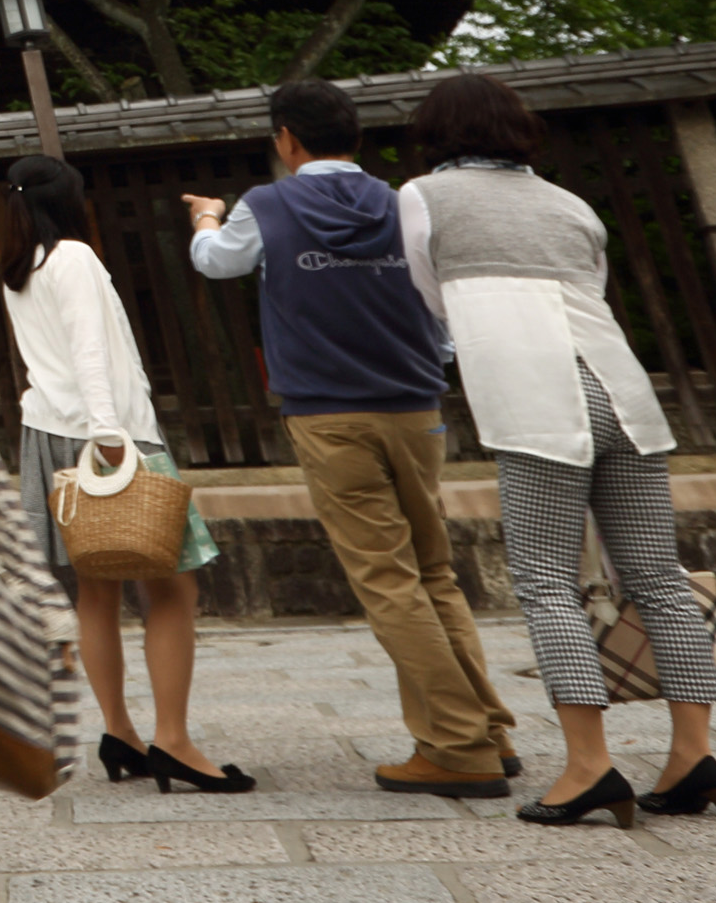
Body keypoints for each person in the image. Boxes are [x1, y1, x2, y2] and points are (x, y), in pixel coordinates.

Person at [399, 72, 716, 826]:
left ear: (438, 130)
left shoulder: (424, 194)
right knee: (657, 576)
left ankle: (589, 766)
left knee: (548, 582)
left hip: (536, 394)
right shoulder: (569, 202)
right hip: (620, 386)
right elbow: (596, 282)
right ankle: (693, 757)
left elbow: (426, 288)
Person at [185, 75, 520, 798]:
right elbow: (437, 298)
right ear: (357, 137)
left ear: (286, 138)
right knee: (434, 571)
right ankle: (489, 727)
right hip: (415, 405)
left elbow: (217, 264)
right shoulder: (404, 201)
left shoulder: (268, 204)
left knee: (386, 578)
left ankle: (458, 746)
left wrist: (207, 218)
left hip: (328, 410)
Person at [0, 155, 248, 793]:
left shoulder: (19, 269)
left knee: (95, 591)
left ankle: (119, 732)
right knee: (172, 588)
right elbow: (90, 347)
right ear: (70, 201)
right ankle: (174, 740)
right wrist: (110, 433)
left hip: (48, 435)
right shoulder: (74, 257)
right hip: (106, 435)